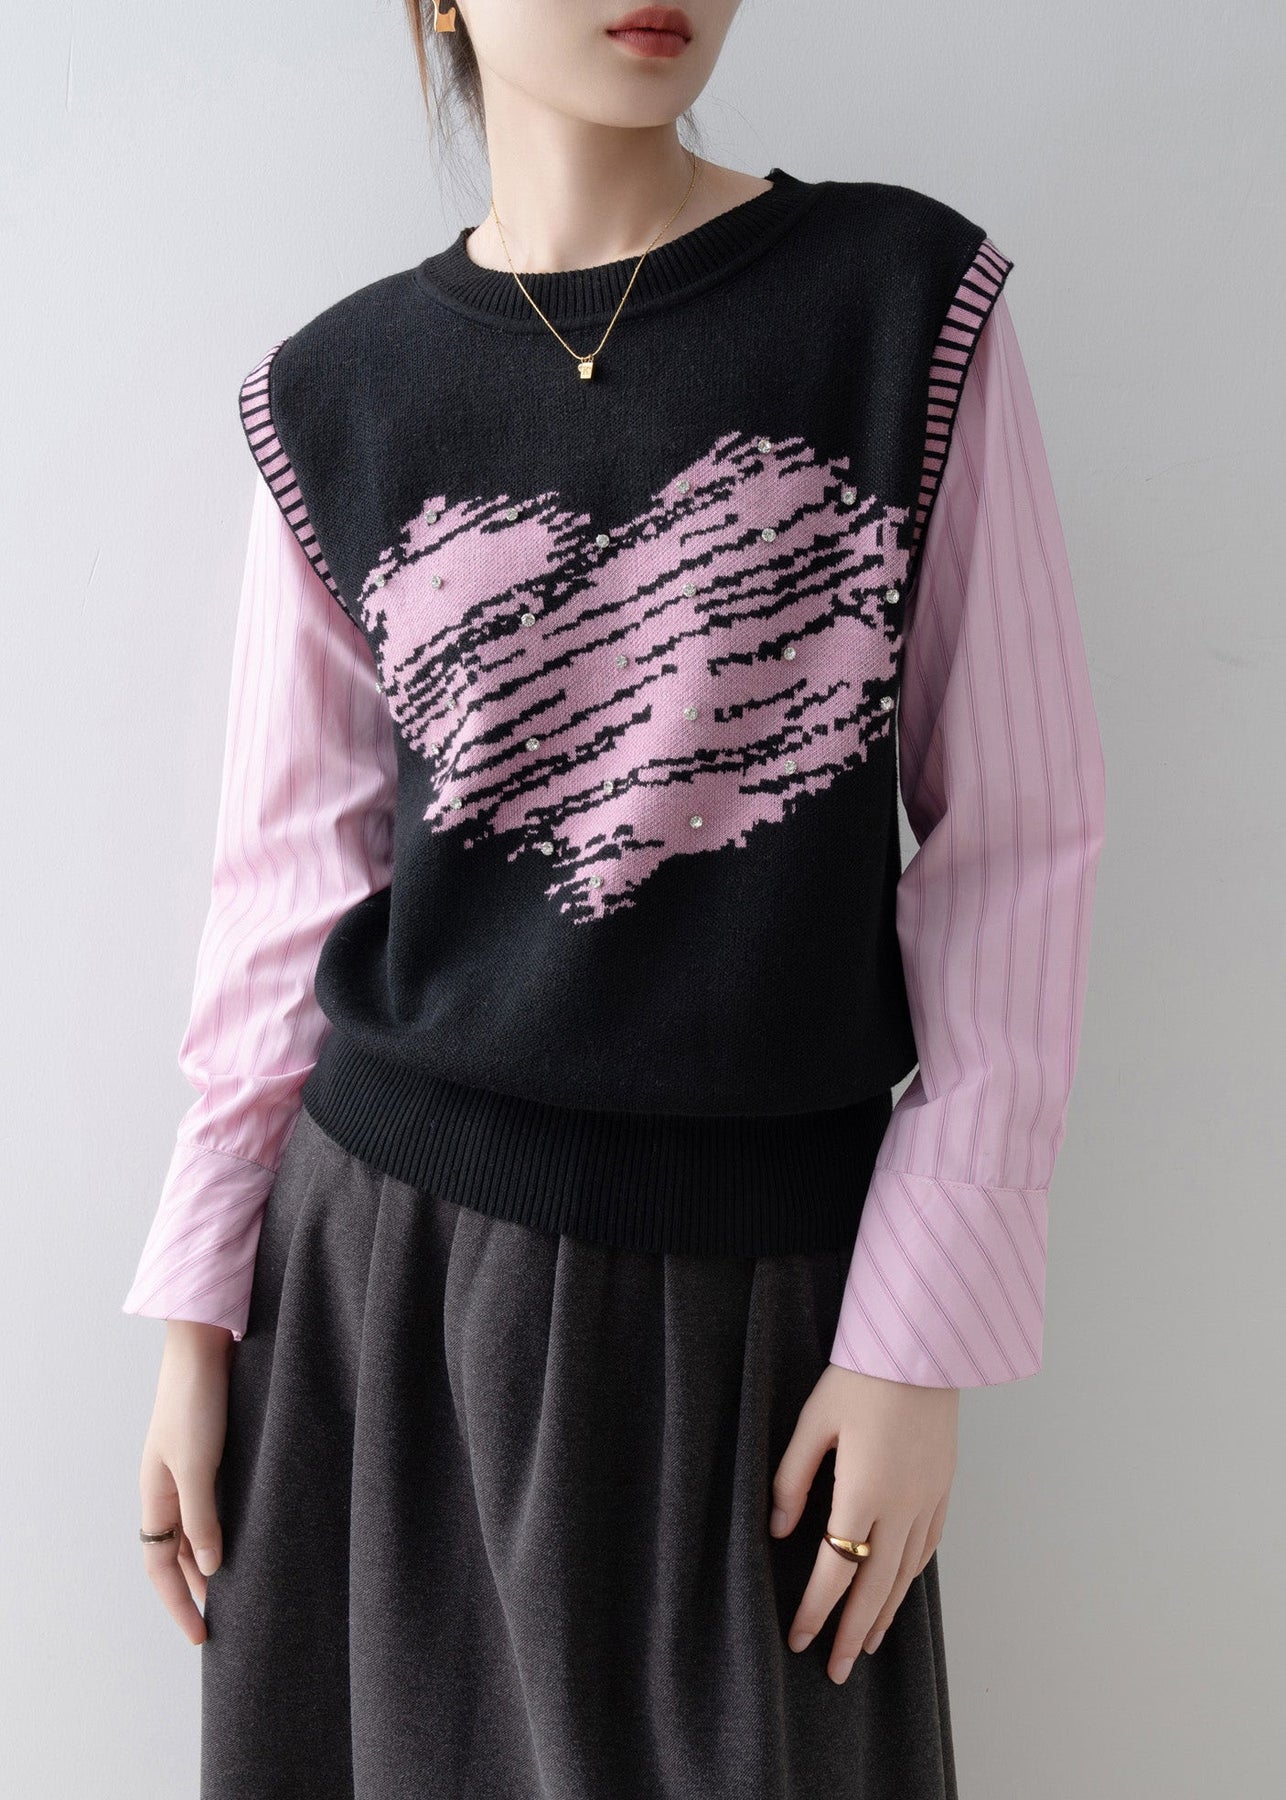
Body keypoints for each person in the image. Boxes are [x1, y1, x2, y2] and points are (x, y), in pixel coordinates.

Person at [123, 4, 1107, 1796]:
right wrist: (199, 1323)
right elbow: (284, 892)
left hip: (762, 1314)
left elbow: (1018, 847)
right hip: (380, 1297)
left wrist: (919, 1342)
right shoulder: (333, 396)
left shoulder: (902, 305)